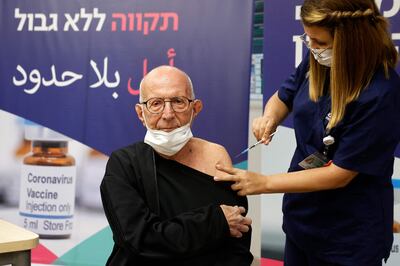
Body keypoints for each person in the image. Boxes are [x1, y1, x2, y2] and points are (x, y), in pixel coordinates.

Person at [215, 0, 400, 265]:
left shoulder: (381, 94)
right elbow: (283, 97)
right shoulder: (319, 63)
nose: (312, 48)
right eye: (308, 39)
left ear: (352, 42)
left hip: (349, 234)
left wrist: (264, 183)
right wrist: (269, 117)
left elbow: (340, 174)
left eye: (321, 43)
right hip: (303, 220)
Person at [100, 65, 253, 265]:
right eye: (156, 104)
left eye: (178, 102)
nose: (168, 114)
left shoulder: (215, 156)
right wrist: (214, 222)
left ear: (195, 108)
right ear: (140, 113)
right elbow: (140, 239)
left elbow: (237, 236)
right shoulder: (125, 164)